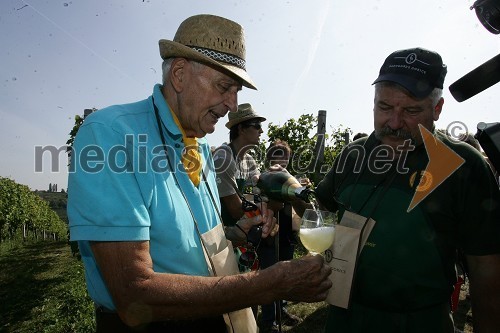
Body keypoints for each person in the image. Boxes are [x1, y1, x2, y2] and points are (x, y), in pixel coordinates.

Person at [67, 14, 332, 332]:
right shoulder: (111, 137)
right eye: (224, 87)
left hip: (218, 313)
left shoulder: (201, 150)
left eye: (236, 91)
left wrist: (238, 232)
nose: (233, 106)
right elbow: (133, 293)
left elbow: (198, 243)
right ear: (179, 74)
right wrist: (267, 285)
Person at [315, 47, 500, 332]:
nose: (394, 123)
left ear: (437, 110)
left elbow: (486, 271)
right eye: (384, 107)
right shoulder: (351, 156)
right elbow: (321, 208)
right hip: (345, 319)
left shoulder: (464, 166)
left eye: (412, 110)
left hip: (420, 323)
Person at [259, 139, 304, 332]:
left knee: (285, 272)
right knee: (270, 276)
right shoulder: (264, 178)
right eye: (278, 156)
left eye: (285, 157)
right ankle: (269, 321)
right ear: (270, 158)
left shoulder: (289, 178)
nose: (282, 161)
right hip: (270, 234)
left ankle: (281, 309)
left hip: (285, 231)